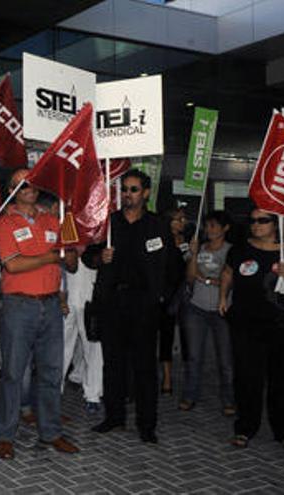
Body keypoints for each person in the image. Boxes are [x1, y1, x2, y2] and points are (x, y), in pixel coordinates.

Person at [0, 169, 78, 460]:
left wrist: (69, 247)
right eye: (22, 184)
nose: (30, 187)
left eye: (33, 182)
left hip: (52, 304)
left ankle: (51, 432)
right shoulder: (5, 223)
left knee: (52, 372)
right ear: (11, 191)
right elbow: (13, 266)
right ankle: (5, 435)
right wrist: (52, 256)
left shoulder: (54, 219)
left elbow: (72, 264)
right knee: (14, 373)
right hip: (19, 306)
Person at [91, 169, 179, 444]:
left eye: (134, 190)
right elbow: (86, 256)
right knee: (113, 364)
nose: (128, 195)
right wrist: (99, 257)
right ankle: (114, 416)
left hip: (144, 305)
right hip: (112, 303)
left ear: (146, 193)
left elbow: (173, 265)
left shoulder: (157, 225)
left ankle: (146, 424)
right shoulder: (108, 223)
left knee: (144, 367)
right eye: (125, 190)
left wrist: (161, 296)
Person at [219, 209, 284, 449]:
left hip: (281, 325)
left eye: (262, 220)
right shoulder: (240, 248)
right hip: (245, 323)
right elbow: (228, 273)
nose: (255, 225)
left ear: (277, 223)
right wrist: (222, 297)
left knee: (280, 379)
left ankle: (283, 429)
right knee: (247, 377)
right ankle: (246, 427)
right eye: (252, 220)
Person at [180, 211, 234, 415]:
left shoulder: (231, 251)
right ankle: (189, 395)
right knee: (194, 357)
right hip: (196, 308)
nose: (209, 230)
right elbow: (190, 278)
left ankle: (229, 400)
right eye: (207, 226)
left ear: (225, 228)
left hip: (222, 310)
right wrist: (193, 255)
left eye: (213, 226)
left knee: (225, 360)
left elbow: (230, 280)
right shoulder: (199, 248)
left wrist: (209, 280)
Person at [62, 248, 103, 414]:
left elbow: (98, 262)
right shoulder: (66, 227)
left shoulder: (99, 232)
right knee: (60, 346)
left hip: (91, 298)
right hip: (66, 297)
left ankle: (93, 395)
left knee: (93, 349)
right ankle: (53, 391)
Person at [159, 207, 190, 395]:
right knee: (162, 337)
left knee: (178, 337)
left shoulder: (186, 241)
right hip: (162, 295)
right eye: (178, 219)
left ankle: (176, 377)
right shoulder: (159, 241)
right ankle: (165, 377)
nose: (182, 222)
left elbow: (189, 267)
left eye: (184, 219)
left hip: (181, 295)